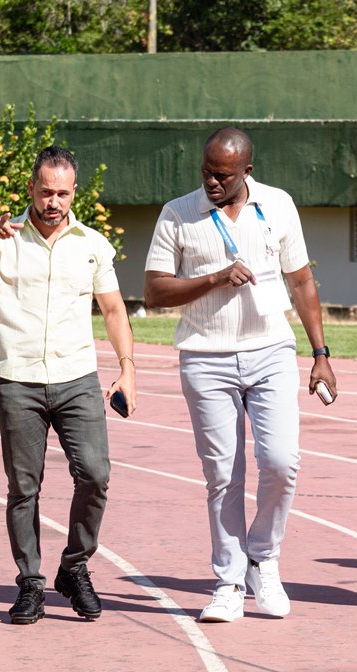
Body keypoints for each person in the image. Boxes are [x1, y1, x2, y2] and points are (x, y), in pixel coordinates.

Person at [144, 127, 336, 622]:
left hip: (271, 352)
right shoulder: (178, 214)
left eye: (223, 175)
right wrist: (213, 278)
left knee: (281, 462)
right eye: (206, 171)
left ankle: (263, 559)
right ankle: (228, 581)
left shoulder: (278, 205)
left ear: (246, 172)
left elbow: (301, 281)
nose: (211, 181)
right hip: (205, 358)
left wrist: (320, 353)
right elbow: (154, 292)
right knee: (223, 475)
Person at [0, 146, 136, 624]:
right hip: (17, 379)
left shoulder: (93, 243)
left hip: (77, 378)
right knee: (23, 487)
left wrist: (127, 369)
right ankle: (30, 583)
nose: (54, 202)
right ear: (31, 187)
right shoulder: (5, 237)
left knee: (95, 473)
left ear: (74, 193)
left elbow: (113, 309)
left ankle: (74, 567)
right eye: (46, 191)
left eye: (63, 193)